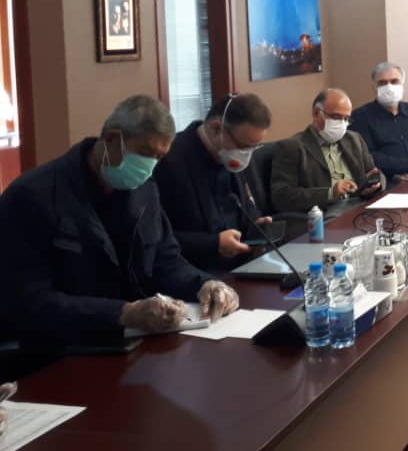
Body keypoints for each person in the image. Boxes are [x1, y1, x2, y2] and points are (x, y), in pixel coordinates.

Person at [0, 95, 239, 348]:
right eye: (145, 153)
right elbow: (27, 301)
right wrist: (123, 313)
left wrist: (203, 284)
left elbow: (166, 260)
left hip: (137, 341)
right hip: (63, 349)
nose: (148, 166)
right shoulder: (32, 195)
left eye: (159, 158)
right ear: (112, 139)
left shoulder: (145, 189)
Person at [154, 93, 273, 272]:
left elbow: (243, 203)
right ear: (216, 128)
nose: (247, 154)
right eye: (243, 147)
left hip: (244, 265)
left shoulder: (233, 155)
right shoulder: (168, 160)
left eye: (253, 147)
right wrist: (213, 243)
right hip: (196, 272)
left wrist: (255, 222)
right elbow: (157, 238)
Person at [273, 88, 383, 213]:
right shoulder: (292, 147)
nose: (342, 123)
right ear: (316, 113)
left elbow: (373, 173)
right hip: (326, 212)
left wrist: (375, 185)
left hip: (361, 204)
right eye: (336, 117)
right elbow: (281, 196)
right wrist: (331, 193)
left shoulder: (354, 139)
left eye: (346, 119)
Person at [349, 62, 408, 184]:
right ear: (374, 86)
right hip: (387, 182)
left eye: (394, 81)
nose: (389, 87)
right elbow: (367, 157)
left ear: (402, 84)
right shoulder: (360, 116)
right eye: (382, 83)